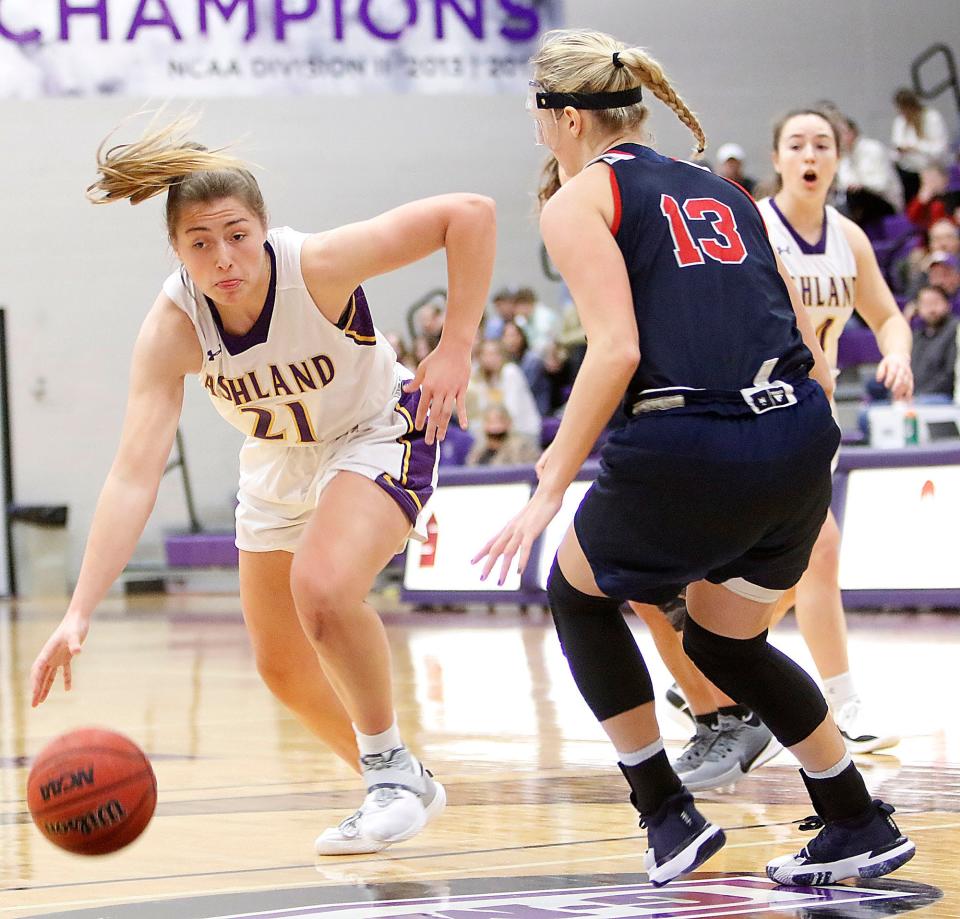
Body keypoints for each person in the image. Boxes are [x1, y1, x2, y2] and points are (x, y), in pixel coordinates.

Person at [474, 29, 914, 887]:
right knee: (727, 639)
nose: (535, 132)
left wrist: (548, 482)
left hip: (691, 437)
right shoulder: (726, 192)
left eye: (538, 114)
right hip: (798, 433)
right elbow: (806, 344)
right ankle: (856, 817)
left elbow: (612, 350)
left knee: (577, 591)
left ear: (568, 118)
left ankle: (665, 813)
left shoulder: (579, 200)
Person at [28, 114, 496, 856]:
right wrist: (78, 610)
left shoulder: (318, 265)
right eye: (200, 243)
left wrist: (458, 344)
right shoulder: (173, 328)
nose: (224, 257)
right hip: (278, 459)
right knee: (280, 665)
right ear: (177, 251)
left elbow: (468, 215)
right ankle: (399, 777)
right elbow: (132, 472)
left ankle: (388, 778)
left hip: (376, 428)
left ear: (265, 228)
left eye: (238, 234)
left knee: (323, 588)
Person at [645, 109, 915, 789]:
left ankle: (719, 671)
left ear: (837, 158)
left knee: (805, 566)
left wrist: (899, 355)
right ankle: (818, 693)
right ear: (777, 156)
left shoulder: (848, 237)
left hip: (813, 419)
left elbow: (885, 314)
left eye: (821, 143)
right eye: (796, 143)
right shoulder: (753, 224)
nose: (810, 153)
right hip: (761, 411)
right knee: (815, 550)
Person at [465, 339, 541, 440]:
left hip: (522, 432)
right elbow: (480, 411)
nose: (489, 358)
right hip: (497, 433)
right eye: (485, 354)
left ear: (502, 355)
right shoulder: (482, 380)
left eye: (493, 354)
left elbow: (512, 411)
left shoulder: (511, 372)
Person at [836, 116, 903, 227]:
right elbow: (844, 184)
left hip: (885, 200)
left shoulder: (873, 149)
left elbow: (882, 183)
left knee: (856, 195)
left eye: (842, 133)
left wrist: (862, 185)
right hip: (860, 200)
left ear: (853, 132)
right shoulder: (845, 158)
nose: (840, 138)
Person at [891, 88, 949, 204]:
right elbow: (896, 149)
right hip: (910, 172)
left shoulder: (931, 118)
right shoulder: (900, 122)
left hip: (932, 168)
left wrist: (915, 148)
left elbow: (940, 151)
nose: (904, 113)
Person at [465, 405, 540, 466]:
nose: (495, 426)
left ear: (509, 423)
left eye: (499, 421)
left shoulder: (521, 447)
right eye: (490, 421)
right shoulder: (479, 449)